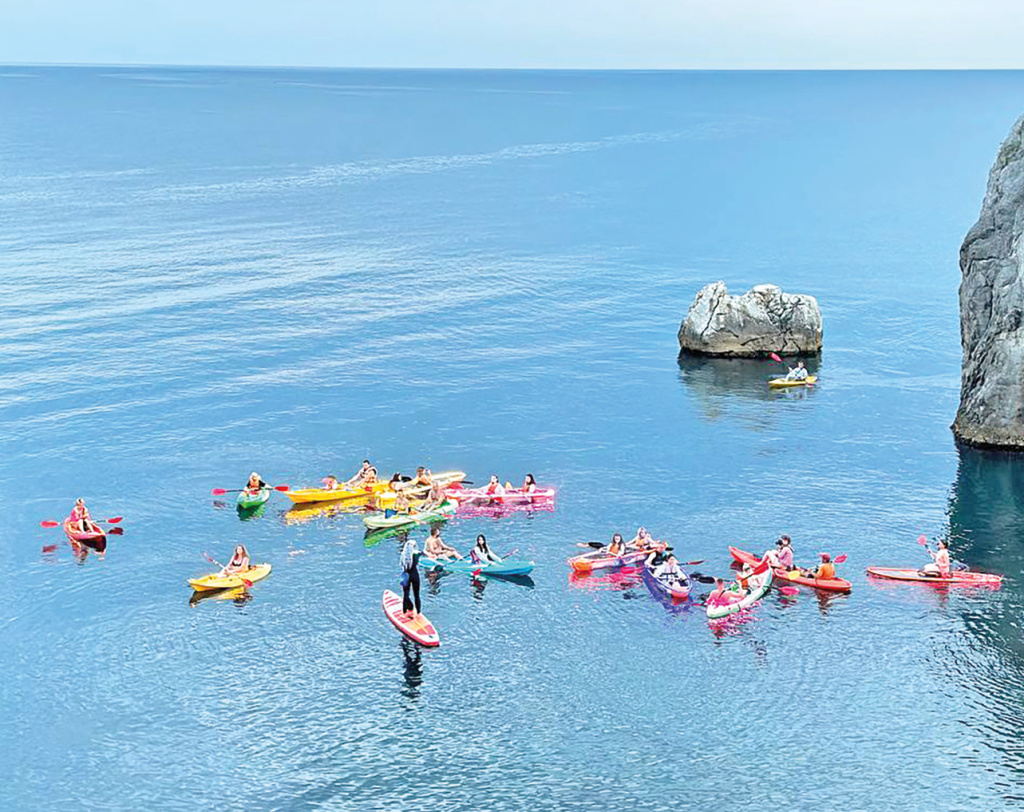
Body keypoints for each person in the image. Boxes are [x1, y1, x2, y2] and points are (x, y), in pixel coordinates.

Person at [399, 538, 422, 618]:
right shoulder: (416, 554)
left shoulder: (403, 555)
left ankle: (404, 612)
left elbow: (402, 565)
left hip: (406, 575)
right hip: (415, 575)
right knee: (416, 595)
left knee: (406, 594)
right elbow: (421, 555)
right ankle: (418, 612)